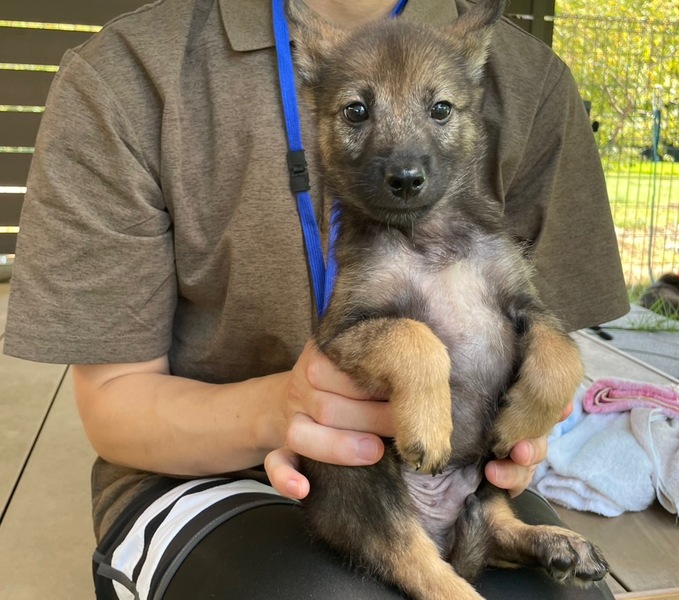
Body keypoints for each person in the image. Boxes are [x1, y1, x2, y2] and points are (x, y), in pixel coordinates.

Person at [3, 0, 629, 598]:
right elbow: (114, 406)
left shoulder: (529, 78)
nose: (405, 165)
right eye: (356, 113)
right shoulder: (128, 74)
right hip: (202, 474)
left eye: (440, 110)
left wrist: (533, 411)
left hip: (452, 474)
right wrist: (282, 410)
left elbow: (537, 338)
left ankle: (499, 531)